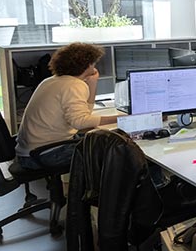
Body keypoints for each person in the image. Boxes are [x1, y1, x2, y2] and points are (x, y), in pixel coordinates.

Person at [15, 42, 119, 171]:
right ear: (87, 65)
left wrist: (92, 83)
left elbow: (84, 114)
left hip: (31, 152)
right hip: (44, 154)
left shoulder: (52, 80)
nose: (94, 66)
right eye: (93, 63)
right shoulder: (74, 85)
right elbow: (80, 122)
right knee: (114, 151)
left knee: (100, 139)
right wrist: (120, 119)